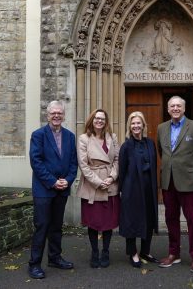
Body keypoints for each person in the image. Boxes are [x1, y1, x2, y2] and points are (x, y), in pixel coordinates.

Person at [157, 96, 193, 273]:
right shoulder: (161, 128)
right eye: (172, 106)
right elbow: (162, 152)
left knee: (192, 220)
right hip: (168, 181)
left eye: (178, 105)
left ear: (184, 108)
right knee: (170, 219)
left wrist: (191, 168)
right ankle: (174, 253)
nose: (175, 108)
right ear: (168, 109)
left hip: (188, 181)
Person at [28, 101, 78, 279]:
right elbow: (36, 162)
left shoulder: (70, 136)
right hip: (44, 190)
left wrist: (68, 180)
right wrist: (52, 181)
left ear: (64, 115)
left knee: (57, 226)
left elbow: (73, 163)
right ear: (47, 115)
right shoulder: (38, 135)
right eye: (53, 113)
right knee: (42, 226)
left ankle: (54, 258)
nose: (56, 116)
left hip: (62, 189)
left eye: (59, 113)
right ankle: (34, 264)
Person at [76, 109, 120, 268]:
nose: (99, 121)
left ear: (106, 121)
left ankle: (106, 251)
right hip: (92, 186)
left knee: (108, 222)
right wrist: (98, 182)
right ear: (91, 120)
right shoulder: (83, 139)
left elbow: (117, 160)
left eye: (102, 118)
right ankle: (95, 252)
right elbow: (83, 164)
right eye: (96, 118)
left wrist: (112, 177)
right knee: (93, 222)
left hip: (110, 184)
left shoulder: (112, 137)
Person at [119, 111, 158, 268]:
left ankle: (145, 251)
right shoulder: (126, 146)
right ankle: (132, 252)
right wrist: (122, 190)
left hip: (149, 188)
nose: (136, 126)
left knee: (148, 219)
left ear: (143, 125)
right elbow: (122, 170)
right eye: (133, 123)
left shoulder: (150, 143)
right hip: (132, 188)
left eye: (138, 123)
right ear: (129, 126)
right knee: (132, 220)